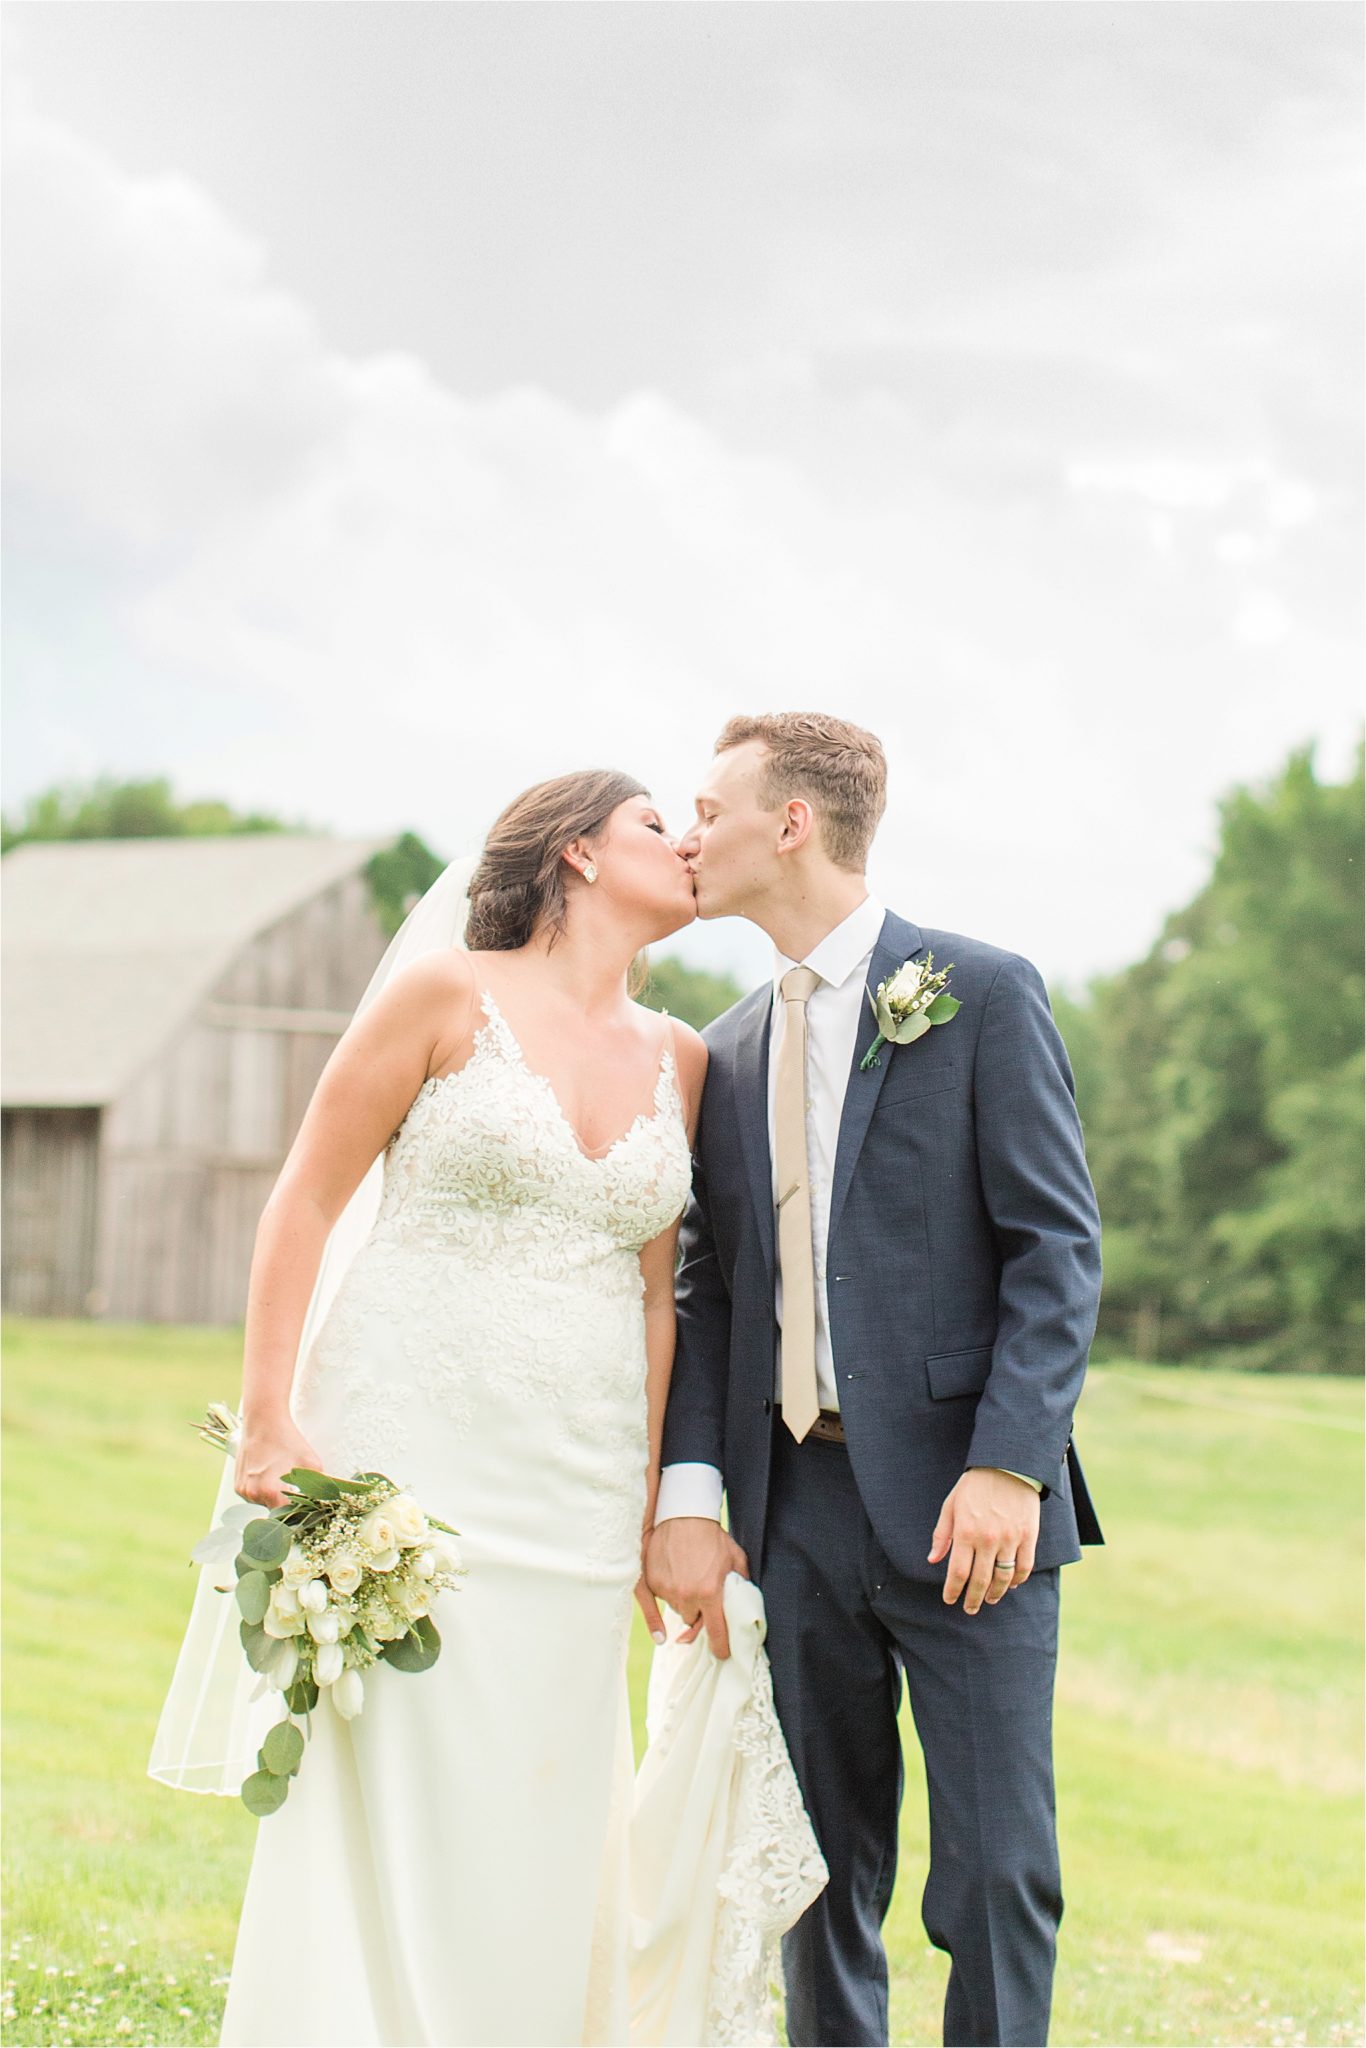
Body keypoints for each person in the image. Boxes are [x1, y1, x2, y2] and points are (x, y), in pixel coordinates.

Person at [151, 768, 826, 2048]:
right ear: (575, 853)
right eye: (651, 823)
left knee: (543, 1790)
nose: (685, 840)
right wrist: (268, 1414)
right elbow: (303, 1198)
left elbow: (656, 1303)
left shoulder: (681, 1057)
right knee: (396, 1772)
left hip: (574, 1477)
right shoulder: (443, 994)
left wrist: (644, 1510)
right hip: (412, 1447)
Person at [646, 712, 1105, 2048]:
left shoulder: (979, 991)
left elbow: (1053, 1250)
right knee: (816, 1877)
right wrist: (694, 1489)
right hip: (792, 1510)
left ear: (791, 824)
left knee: (995, 1872)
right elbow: (709, 1288)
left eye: (709, 810)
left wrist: (1009, 1465)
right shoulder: (723, 1048)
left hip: (972, 1513)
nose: (689, 836)